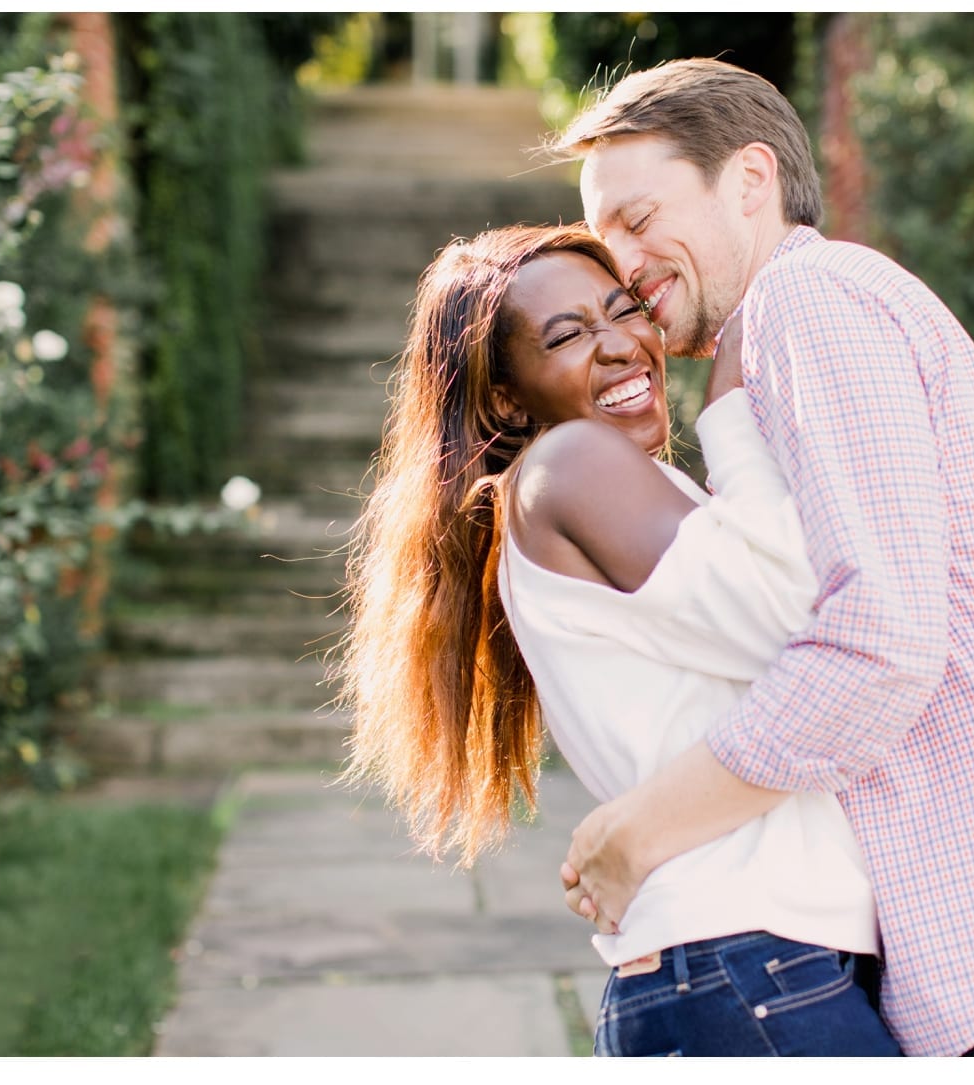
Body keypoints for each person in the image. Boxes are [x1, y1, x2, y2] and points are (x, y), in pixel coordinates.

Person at [542, 57, 974, 1057]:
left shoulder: (815, 299)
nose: (620, 263)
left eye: (639, 218)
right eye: (604, 233)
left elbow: (878, 640)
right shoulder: (783, 337)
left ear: (750, 179)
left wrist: (645, 828)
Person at [334, 222, 901, 1057]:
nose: (621, 344)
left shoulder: (605, 483)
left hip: (742, 968)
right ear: (504, 397)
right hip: (746, 963)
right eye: (566, 335)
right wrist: (734, 409)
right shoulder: (571, 467)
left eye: (624, 308)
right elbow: (807, 613)